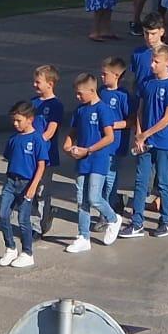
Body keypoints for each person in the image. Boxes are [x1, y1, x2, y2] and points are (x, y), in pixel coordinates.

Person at [62, 74, 121, 251]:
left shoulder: (103, 109)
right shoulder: (80, 111)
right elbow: (73, 131)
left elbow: (109, 137)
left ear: (92, 90)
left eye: (80, 94)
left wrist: (89, 150)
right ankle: (83, 236)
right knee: (81, 199)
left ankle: (113, 218)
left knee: (94, 197)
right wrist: (68, 144)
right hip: (82, 160)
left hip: (98, 159)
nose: (77, 97)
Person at [129, 43, 168, 236]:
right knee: (141, 181)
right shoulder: (147, 83)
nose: (152, 65)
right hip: (145, 141)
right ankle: (137, 221)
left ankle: (166, 220)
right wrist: (139, 134)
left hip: (163, 142)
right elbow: (141, 110)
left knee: (163, 182)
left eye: (156, 61)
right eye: (152, 60)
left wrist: (146, 134)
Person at [0, 102, 48, 269]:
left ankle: (27, 253)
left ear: (30, 119)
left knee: (23, 219)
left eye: (18, 120)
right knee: (3, 215)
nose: (15, 124)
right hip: (11, 181)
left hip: (27, 183)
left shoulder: (37, 139)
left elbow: (41, 165)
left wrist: (33, 186)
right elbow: (9, 157)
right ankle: (10, 247)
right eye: (14, 121)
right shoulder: (13, 139)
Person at [29, 64, 64, 235]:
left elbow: (51, 130)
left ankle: (42, 220)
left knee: (42, 189)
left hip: (46, 154)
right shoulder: (33, 102)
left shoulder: (56, 105)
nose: (35, 85)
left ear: (50, 84)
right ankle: (34, 223)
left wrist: (37, 142)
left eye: (38, 82)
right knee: (32, 189)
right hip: (30, 154)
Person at [98, 56, 131, 220]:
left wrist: (113, 125)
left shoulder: (123, 95)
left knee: (110, 179)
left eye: (105, 74)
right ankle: (113, 202)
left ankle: (107, 214)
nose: (102, 77)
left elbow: (130, 120)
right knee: (102, 178)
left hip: (116, 144)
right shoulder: (101, 92)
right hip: (101, 143)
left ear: (116, 75)